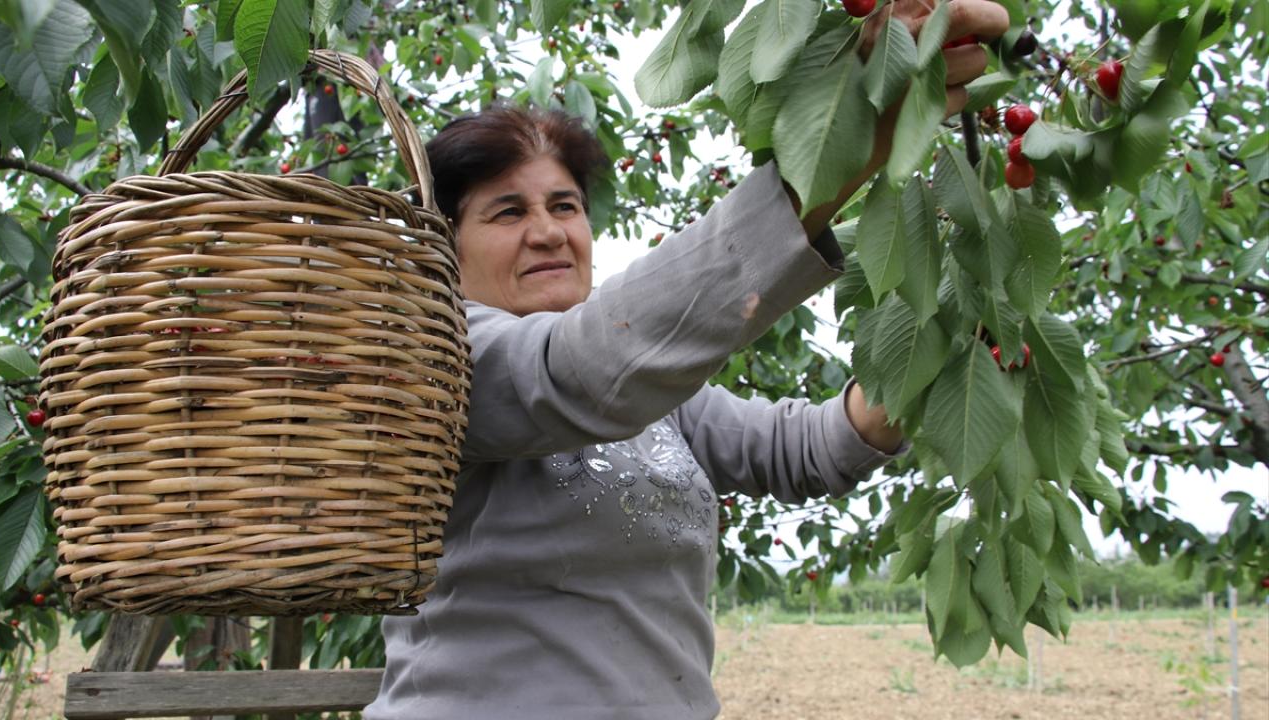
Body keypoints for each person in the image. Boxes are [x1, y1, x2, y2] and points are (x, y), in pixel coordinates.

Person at [364, 2, 1009, 718]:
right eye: (507, 212)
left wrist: (918, 366)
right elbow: (579, 371)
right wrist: (836, 150)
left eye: (565, 206)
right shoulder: (439, 360)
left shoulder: (650, 387)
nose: (548, 232)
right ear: (444, 246)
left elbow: (801, 448)